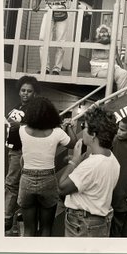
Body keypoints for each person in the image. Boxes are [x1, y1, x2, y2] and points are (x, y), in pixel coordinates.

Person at [17, 97, 77, 236]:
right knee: (46, 228)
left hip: (26, 178)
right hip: (48, 180)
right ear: (51, 113)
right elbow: (73, 143)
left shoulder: (22, 130)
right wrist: (69, 127)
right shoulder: (57, 133)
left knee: (28, 230)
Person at [58, 107, 120, 237]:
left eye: (83, 126)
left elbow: (62, 188)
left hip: (82, 224)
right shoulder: (112, 159)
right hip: (100, 221)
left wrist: (74, 161)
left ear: (93, 134)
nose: (82, 130)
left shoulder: (92, 165)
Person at [4, 76, 41, 232]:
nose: (25, 93)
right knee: (12, 183)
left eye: (29, 91)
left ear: (34, 93)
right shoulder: (17, 107)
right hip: (11, 149)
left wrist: (20, 126)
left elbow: (38, 128)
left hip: (23, 152)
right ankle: (12, 218)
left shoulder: (36, 109)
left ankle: (6, 217)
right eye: (23, 90)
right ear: (19, 91)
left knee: (13, 184)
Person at [33, 0, 67, 75]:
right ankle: (45, 68)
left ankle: (57, 68)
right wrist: (36, 5)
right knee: (43, 38)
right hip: (49, 8)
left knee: (60, 41)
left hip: (60, 8)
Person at [90, 24, 127, 92]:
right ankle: (121, 97)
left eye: (105, 32)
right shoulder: (96, 42)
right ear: (98, 34)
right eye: (101, 32)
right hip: (99, 70)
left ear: (108, 33)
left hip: (112, 67)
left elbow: (118, 58)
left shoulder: (112, 43)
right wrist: (111, 41)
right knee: (122, 74)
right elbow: (104, 41)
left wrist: (122, 68)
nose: (104, 33)